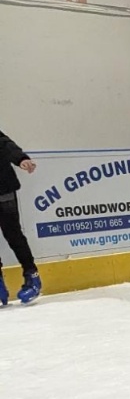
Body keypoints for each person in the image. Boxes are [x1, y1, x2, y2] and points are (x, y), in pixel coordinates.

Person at [0, 128, 42, 306]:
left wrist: (20, 159)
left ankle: (32, 275)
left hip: (3, 189)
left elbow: (5, 144)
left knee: (14, 235)